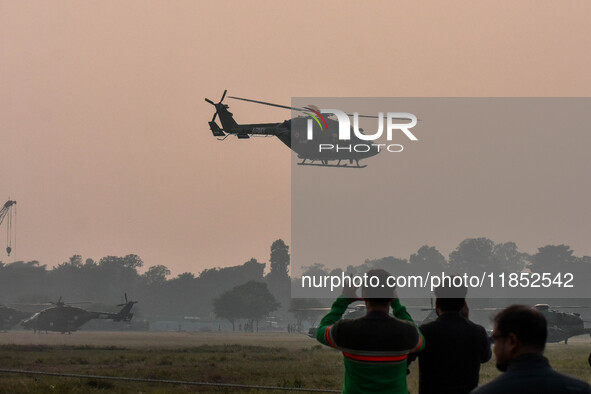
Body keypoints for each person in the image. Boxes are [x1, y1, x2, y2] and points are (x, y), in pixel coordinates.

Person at [316, 269, 424, 393]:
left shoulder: (346, 329)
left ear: (364, 295)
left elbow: (321, 331)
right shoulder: (407, 331)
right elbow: (420, 339)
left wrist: (343, 300)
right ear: (391, 296)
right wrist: (398, 306)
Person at [471, 305, 591, 394]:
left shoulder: (487, 391)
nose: (494, 345)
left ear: (512, 341)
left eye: (495, 338)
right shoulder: (581, 389)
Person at [408, 281, 491, 394]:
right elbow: (485, 357)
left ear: (437, 303)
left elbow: (406, 359)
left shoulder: (425, 332)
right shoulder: (478, 332)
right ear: (463, 304)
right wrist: (467, 321)